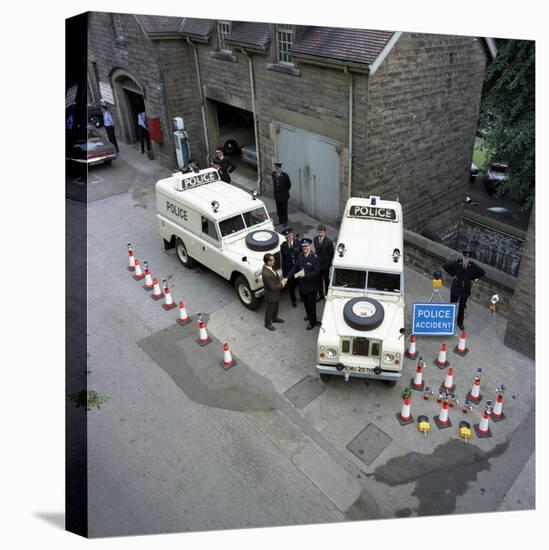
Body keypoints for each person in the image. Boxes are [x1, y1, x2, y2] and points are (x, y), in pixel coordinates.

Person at [443, 250, 486, 331]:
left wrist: (472, 278)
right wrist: (453, 274)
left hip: (465, 289)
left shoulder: (472, 266)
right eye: (465, 258)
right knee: (452, 305)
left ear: (469, 259)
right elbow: (445, 266)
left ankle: (460, 323)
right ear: (463, 257)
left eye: (467, 258)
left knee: (462, 307)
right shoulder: (457, 263)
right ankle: (449, 321)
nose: (466, 260)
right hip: (456, 287)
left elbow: (482, 272)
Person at [288, 238, 321, 330]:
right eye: (303, 246)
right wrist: (288, 277)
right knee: (306, 303)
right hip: (303, 285)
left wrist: (305, 275)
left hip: (311, 286)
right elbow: (295, 267)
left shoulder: (315, 257)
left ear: (310, 246)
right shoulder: (300, 255)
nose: (305, 248)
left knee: (311, 305)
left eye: (306, 246)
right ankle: (309, 315)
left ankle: (313, 322)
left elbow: (317, 272)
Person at [261, 253, 287, 331]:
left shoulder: (269, 267)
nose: (274, 261)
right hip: (271, 295)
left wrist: (280, 280)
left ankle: (275, 318)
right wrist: (283, 283)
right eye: (272, 260)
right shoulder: (266, 274)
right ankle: (267, 324)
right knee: (269, 310)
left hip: (275, 294)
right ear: (267, 262)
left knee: (275, 307)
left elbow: (275, 277)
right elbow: (272, 287)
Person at [280, 228, 301, 307]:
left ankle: (302, 297)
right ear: (285, 238)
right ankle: (294, 300)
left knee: (301, 284)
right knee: (291, 287)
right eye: (287, 237)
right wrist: (285, 273)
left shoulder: (298, 243)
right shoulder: (283, 246)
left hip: (298, 269)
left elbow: (301, 256)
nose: (289, 238)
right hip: (289, 270)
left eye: (290, 236)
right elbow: (283, 260)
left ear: (292, 235)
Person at [314, 224, 335, 302]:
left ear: (325, 232)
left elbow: (331, 254)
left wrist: (328, 264)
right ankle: (321, 295)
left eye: (322, 232)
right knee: (318, 281)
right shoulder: (315, 239)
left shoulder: (328, 242)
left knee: (326, 281)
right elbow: (316, 250)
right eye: (319, 232)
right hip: (318, 265)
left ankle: (327, 294)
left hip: (325, 266)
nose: (320, 234)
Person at [272, 161, 291, 226]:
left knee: (284, 209)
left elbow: (289, 185)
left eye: (277, 168)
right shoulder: (273, 174)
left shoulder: (285, 176)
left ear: (280, 168)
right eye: (275, 168)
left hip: (284, 196)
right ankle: (280, 220)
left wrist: (284, 191)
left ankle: (285, 221)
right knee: (278, 209)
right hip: (277, 196)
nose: (276, 169)